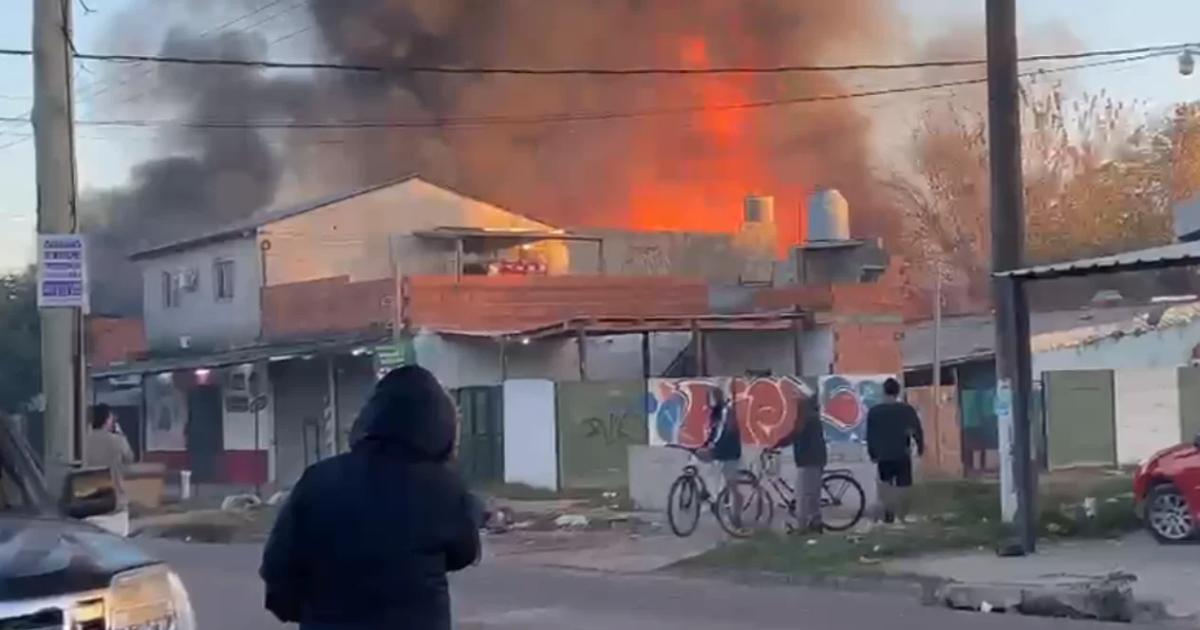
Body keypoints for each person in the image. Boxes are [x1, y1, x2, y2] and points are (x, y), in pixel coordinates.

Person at [260, 366, 481, 630]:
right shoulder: (444, 487)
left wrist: (308, 611)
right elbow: (464, 552)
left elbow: (278, 568)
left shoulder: (318, 480)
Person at [865, 377, 925, 525]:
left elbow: (870, 435)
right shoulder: (906, 410)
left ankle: (888, 515)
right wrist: (920, 447)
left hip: (883, 455)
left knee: (885, 486)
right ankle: (902, 516)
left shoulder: (875, 412)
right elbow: (917, 430)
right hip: (902, 454)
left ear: (884, 392)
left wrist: (872, 453)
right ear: (898, 392)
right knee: (904, 486)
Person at [773, 396, 826, 533]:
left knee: (803, 495)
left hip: (808, 461)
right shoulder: (813, 418)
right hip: (816, 460)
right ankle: (816, 522)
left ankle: (801, 526)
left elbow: (794, 434)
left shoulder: (805, 419)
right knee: (813, 495)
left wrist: (777, 444)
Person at [701, 387, 743, 530]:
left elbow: (728, 432)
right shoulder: (716, 412)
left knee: (732, 486)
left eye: (715, 395)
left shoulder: (727, 411)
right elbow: (713, 433)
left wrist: (714, 447)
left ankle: (736, 516)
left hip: (730, 452)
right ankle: (714, 501)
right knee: (710, 474)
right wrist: (705, 445)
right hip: (720, 451)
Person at [84, 404, 134, 504]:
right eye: (111, 419)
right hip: (113, 494)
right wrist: (119, 433)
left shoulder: (83, 441)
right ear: (107, 420)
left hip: (88, 494)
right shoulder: (118, 440)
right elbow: (130, 458)